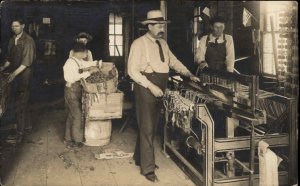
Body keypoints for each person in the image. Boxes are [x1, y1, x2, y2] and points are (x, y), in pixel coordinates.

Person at [127, 10, 200, 182]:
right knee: (147, 126)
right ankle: (148, 169)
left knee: (152, 125)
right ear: (149, 26)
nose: (162, 28)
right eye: (159, 25)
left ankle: (140, 158)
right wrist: (151, 86)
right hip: (146, 87)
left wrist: (189, 74)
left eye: (163, 25)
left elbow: (173, 62)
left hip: (161, 86)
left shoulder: (163, 44)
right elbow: (132, 71)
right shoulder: (138, 44)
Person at [0, 18, 36, 143]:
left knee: (20, 104)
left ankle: (19, 135)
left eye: (16, 26)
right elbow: (9, 59)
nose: (14, 28)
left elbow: (26, 63)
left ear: (23, 26)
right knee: (21, 102)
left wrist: (14, 74)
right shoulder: (12, 40)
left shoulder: (28, 41)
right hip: (15, 75)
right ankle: (27, 126)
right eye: (12, 26)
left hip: (24, 75)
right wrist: (3, 67)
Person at [63, 43, 100, 148]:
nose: (86, 54)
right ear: (80, 53)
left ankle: (68, 139)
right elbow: (74, 77)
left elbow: (85, 64)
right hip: (71, 90)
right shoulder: (70, 63)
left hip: (75, 90)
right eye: (85, 53)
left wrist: (97, 63)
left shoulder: (76, 60)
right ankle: (76, 141)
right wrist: (90, 73)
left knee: (72, 115)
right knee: (77, 115)